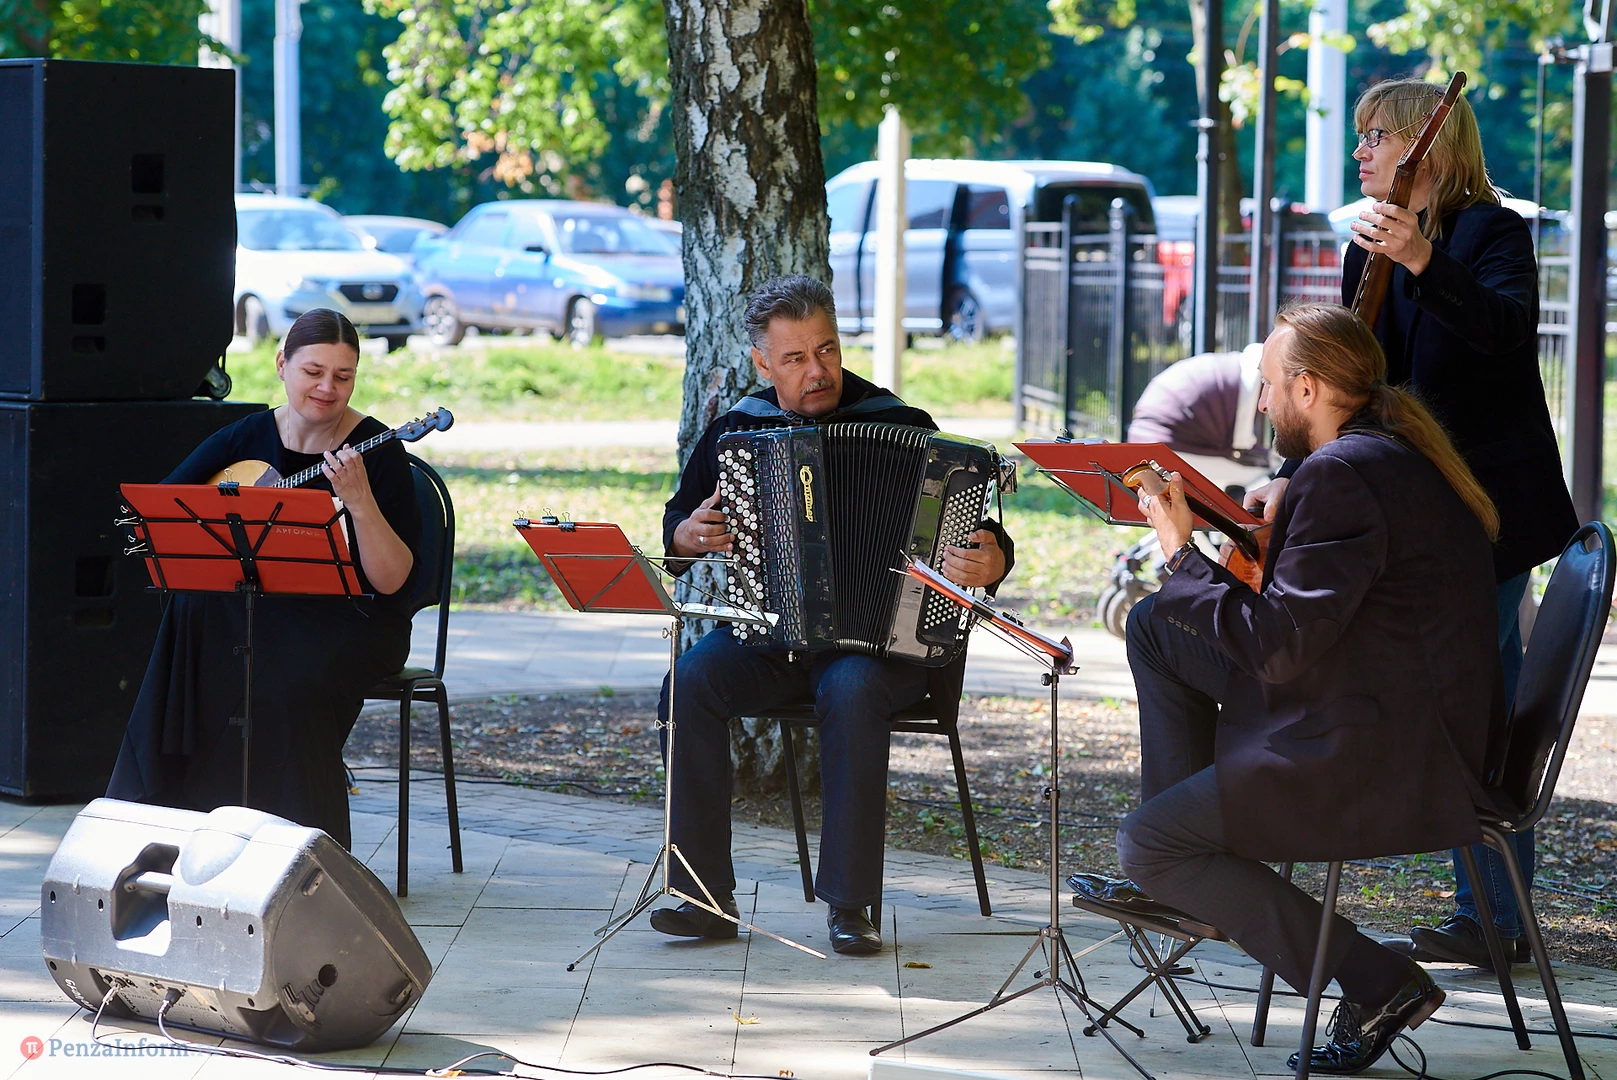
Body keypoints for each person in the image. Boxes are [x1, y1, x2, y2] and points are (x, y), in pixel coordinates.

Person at [1096, 304, 1505, 1074]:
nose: (1260, 403)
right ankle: (1191, 871)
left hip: (1385, 748)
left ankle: (1377, 980)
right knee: (1154, 624)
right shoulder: (1380, 455)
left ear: (1308, 389)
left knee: (1147, 845)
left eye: (1267, 385)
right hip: (1387, 706)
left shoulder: (1341, 473)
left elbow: (1278, 648)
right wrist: (1269, 533)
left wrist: (1181, 553)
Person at [1243, 78, 1579, 971]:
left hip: (1487, 514)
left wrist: (1426, 261)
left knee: (1476, 705)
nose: (1360, 152)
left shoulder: (1490, 233)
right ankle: (1488, 915)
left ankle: (1495, 918)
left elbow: (1504, 333)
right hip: (1409, 512)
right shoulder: (1367, 246)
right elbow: (1349, 388)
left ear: (1426, 149)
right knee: (1463, 703)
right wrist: (1293, 476)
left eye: (1376, 137)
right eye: (1359, 137)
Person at [650, 275, 1014, 956]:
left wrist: (991, 559)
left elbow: (981, 538)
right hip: (772, 637)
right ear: (763, 362)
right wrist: (687, 535)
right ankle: (703, 896)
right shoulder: (738, 430)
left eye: (826, 350)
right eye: (794, 358)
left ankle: (852, 905)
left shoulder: (900, 425)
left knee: (848, 686)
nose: (816, 371)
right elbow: (677, 528)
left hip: (883, 648)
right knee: (689, 684)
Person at [107, 309, 420, 848]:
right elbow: (157, 513)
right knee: (194, 618)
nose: (327, 388)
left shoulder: (376, 450)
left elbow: (390, 583)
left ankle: (296, 846)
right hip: (259, 606)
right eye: (313, 371)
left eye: (343, 376)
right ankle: (178, 822)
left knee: (283, 677)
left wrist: (361, 502)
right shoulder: (245, 437)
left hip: (352, 618)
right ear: (281, 365)